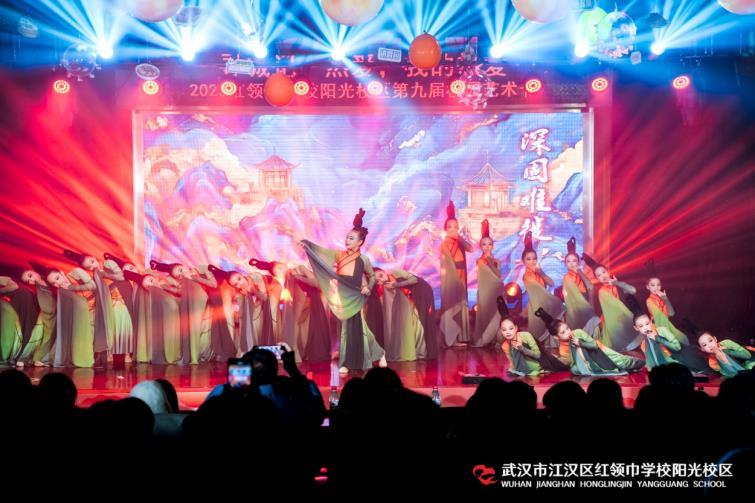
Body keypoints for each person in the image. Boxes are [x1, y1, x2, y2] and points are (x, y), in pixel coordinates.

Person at [293, 208, 386, 374]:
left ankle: (357, 360)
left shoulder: (363, 259)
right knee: (345, 329)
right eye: (347, 237)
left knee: (358, 328)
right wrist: (308, 244)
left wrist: (368, 287)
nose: (347, 240)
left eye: (351, 238)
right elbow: (321, 252)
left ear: (360, 242)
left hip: (356, 296)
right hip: (343, 297)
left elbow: (372, 276)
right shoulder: (339, 255)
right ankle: (360, 358)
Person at [536, 307, 644, 376]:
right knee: (574, 370)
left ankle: (635, 363)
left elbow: (594, 345)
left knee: (623, 362)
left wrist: (580, 343)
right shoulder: (563, 349)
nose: (568, 332)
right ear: (556, 337)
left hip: (600, 353)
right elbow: (572, 363)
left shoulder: (577, 333)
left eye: (567, 328)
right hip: (588, 364)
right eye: (563, 332)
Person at [62, 249, 115, 366]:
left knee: (106, 327)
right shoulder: (94, 274)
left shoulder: (106, 267)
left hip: (113, 302)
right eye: (89, 267)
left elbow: (117, 280)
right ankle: (101, 354)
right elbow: (94, 289)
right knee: (98, 328)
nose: (93, 266)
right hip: (100, 304)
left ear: (93, 256)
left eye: (92, 261)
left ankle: (106, 353)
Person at [582, 253, 642, 352]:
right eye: (599, 275)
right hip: (617, 323)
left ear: (608, 271)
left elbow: (633, 291)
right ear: (597, 279)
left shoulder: (618, 283)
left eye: (603, 272)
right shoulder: (602, 291)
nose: (603, 276)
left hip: (632, 320)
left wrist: (616, 283)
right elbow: (611, 312)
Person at [439, 200, 473, 348]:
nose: (453, 229)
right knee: (452, 305)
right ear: (445, 229)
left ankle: (461, 336)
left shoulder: (459, 242)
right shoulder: (444, 244)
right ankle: (451, 339)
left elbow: (471, 248)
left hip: (461, 276)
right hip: (452, 278)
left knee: (461, 305)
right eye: (450, 226)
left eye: (455, 226)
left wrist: (459, 238)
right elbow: (448, 262)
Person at [374, 268, 425, 361]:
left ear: (384, 271)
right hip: (405, 309)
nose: (381, 280)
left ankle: (418, 352)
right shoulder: (384, 288)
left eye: (381, 275)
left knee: (418, 328)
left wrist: (395, 284)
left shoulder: (395, 272)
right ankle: (407, 351)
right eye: (377, 281)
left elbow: (414, 280)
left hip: (416, 301)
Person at [521, 231, 562, 347]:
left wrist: (541, 272)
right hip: (537, 306)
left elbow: (551, 283)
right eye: (528, 259)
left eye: (534, 258)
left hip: (545, 304)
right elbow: (539, 292)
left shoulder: (538, 272)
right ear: (523, 261)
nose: (532, 261)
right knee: (538, 336)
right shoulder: (527, 276)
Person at [0, 263, 39, 366]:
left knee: (24, 326)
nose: (31, 280)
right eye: (28, 280)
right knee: (26, 326)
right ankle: (22, 355)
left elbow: (14, 286)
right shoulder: (26, 288)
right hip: (23, 301)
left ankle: (21, 355)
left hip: (22, 301)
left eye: (30, 276)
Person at [472, 219, 503, 347]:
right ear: (480, 246)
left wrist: (492, 261)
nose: (487, 246)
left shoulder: (497, 261)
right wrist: (490, 261)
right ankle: (484, 339)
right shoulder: (480, 261)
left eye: (489, 244)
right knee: (486, 315)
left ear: (493, 246)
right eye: (484, 244)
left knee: (497, 315)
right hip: (485, 293)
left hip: (496, 292)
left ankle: (495, 339)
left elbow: (498, 276)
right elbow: (491, 277)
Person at [645, 260, 688, 345]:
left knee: (683, 339)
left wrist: (665, 299)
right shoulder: (649, 300)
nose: (656, 287)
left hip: (666, 325)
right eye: (653, 285)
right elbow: (660, 317)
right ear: (647, 287)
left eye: (658, 285)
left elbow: (671, 313)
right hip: (658, 327)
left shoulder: (662, 298)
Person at [562, 237, 597, 331]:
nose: (571, 263)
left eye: (574, 261)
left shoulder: (581, 274)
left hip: (583, 299)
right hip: (572, 304)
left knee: (586, 324)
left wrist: (579, 271)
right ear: (565, 263)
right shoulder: (566, 277)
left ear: (579, 262)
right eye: (568, 261)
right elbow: (565, 293)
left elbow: (590, 287)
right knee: (575, 326)